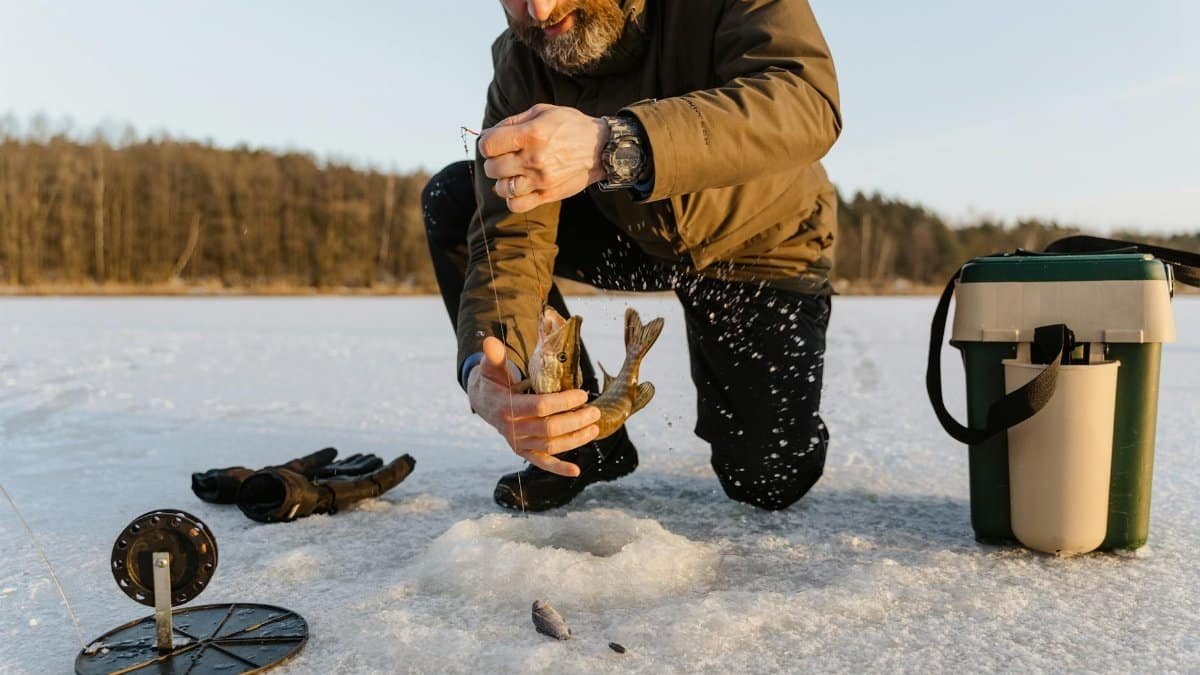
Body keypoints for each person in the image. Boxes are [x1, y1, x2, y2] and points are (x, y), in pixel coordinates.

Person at [423, 0, 841, 512]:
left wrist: (615, 144)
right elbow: (511, 240)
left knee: (767, 480)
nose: (539, 9)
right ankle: (587, 443)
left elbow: (806, 98)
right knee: (456, 196)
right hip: (632, 234)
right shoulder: (522, 61)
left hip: (760, 248)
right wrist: (487, 367)